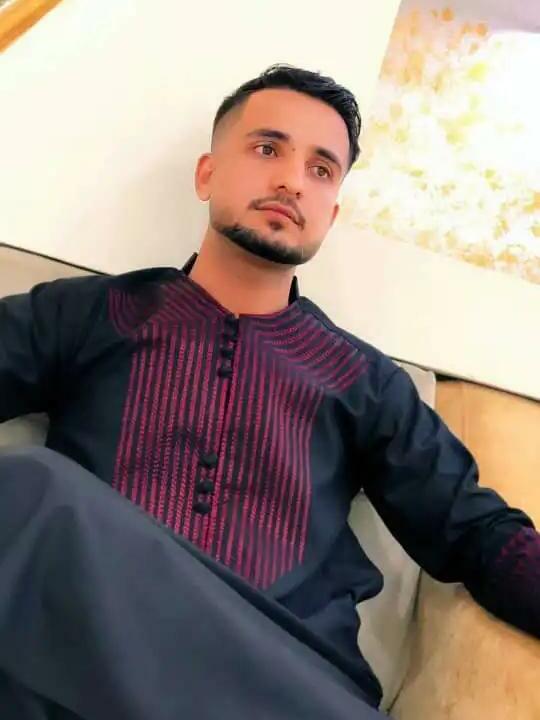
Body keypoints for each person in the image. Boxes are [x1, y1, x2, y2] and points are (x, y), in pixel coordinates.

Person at [0, 63, 538, 720]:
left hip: (278, 678)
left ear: (330, 214)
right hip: (91, 642)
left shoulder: (364, 381)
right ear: (207, 174)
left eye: (321, 169)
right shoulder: (96, 313)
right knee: (28, 490)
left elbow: (476, 532)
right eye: (266, 149)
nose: (292, 180)